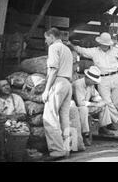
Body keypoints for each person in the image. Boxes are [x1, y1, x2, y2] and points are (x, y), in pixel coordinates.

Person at [68, 32, 118, 130]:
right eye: (103, 44)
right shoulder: (94, 51)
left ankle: (116, 118)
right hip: (102, 78)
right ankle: (117, 120)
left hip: (116, 76)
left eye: (106, 45)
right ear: (100, 43)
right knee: (107, 101)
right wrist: (71, 45)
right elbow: (81, 50)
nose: (105, 46)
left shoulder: (115, 51)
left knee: (116, 101)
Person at [42, 27, 73, 159]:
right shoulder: (67, 49)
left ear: (52, 37)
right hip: (67, 83)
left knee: (50, 117)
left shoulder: (54, 47)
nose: (45, 41)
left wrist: (46, 90)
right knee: (65, 117)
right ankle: (68, 148)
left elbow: (53, 70)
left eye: (46, 38)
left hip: (58, 82)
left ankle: (57, 151)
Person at [72, 66, 116, 146]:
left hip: (87, 105)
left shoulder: (90, 84)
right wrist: (95, 104)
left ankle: (103, 127)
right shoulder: (78, 84)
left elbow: (95, 95)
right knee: (83, 109)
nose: (94, 83)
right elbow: (80, 103)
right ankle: (85, 133)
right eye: (93, 81)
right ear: (88, 78)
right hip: (78, 107)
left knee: (104, 104)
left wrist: (100, 101)